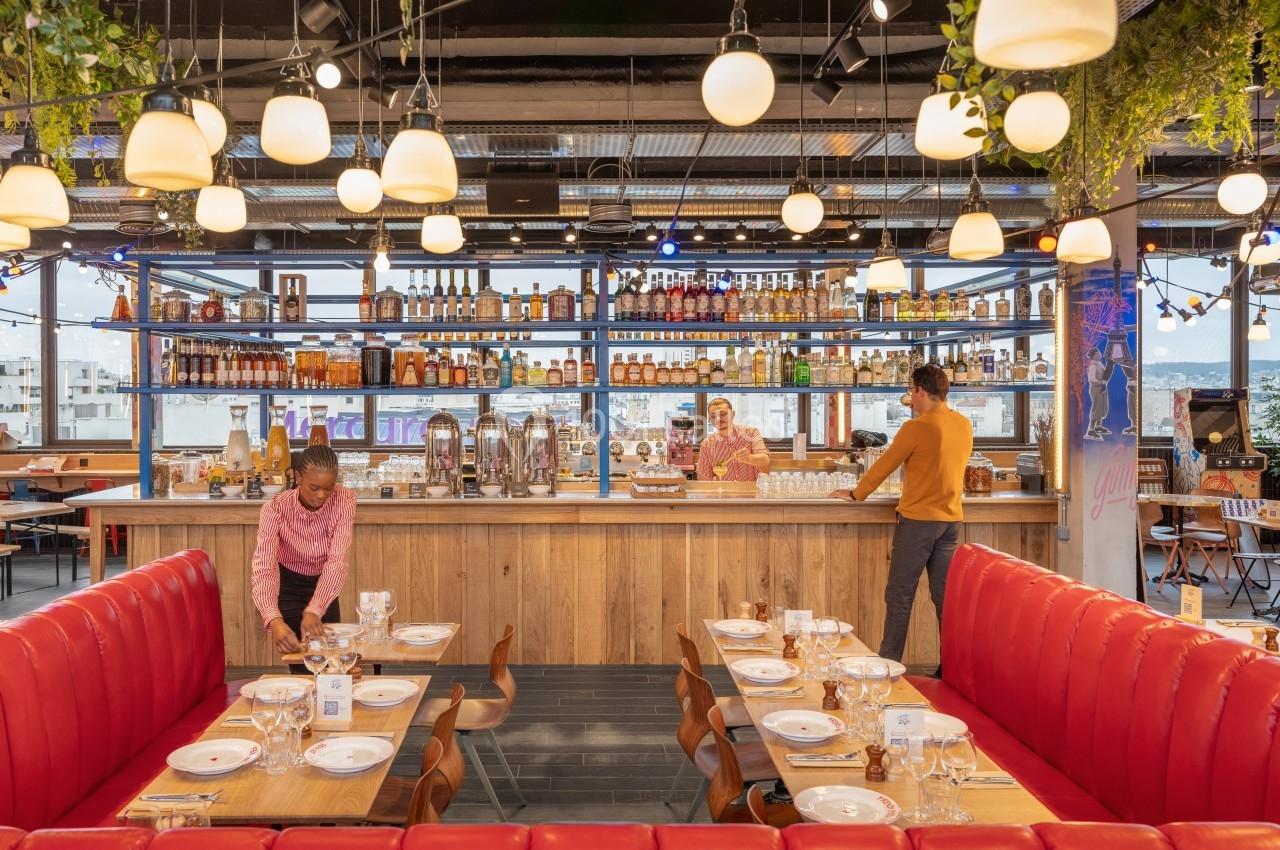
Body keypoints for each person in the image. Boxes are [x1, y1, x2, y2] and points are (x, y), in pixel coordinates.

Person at [829, 364, 973, 664]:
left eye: (912, 392)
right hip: (951, 522)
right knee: (945, 600)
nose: (911, 398)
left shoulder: (917, 427)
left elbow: (885, 465)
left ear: (921, 391)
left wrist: (856, 493)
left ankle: (889, 665)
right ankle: (953, 669)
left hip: (919, 522)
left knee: (899, 596)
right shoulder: (963, 424)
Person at [250, 444, 356, 654]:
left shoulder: (345, 500)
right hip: (288, 588)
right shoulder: (275, 509)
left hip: (324, 585)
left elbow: (337, 561)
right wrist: (274, 619)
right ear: (299, 478)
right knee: (302, 663)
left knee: (331, 661)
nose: (322, 495)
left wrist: (316, 609)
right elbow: (264, 568)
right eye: (314, 487)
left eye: (329, 488)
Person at [695, 397, 770, 481]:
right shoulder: (706, 445)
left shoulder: (751, 433)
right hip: (724, 492)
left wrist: (748, 458)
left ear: (733, 414)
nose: (718, 419)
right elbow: (704, 479)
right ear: (709, 419)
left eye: (723, 414)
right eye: (713, 416)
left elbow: (765, 460)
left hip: (751, 491)